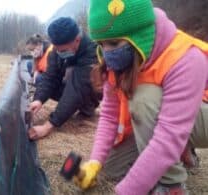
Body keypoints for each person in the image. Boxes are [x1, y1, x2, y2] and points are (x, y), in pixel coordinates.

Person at [74, 0, 208, 194]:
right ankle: (181, 150)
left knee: (143, 97)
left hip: (200, 115)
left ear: (139, 36)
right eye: (101, 44)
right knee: (112, 169)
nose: (107, 53)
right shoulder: (119, 61)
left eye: (114, 43)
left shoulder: (186, 57)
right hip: (165, 118)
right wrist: (94, 162)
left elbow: (169, 135)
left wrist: (126, 191)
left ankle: (171, 185)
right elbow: (110, 116)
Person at [28, 17, 100, 140]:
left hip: (92, 89)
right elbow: (50, 77)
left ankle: (88, 107)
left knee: (77, 81)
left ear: (77, 40)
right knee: (42, 81)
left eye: (64, 50)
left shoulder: (92, 51)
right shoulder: (57, 50)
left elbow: (77, 89)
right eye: (57, 49)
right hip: (74, 86)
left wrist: (49, 125)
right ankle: (74, 106)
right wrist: (38, 99)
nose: (59, 53)